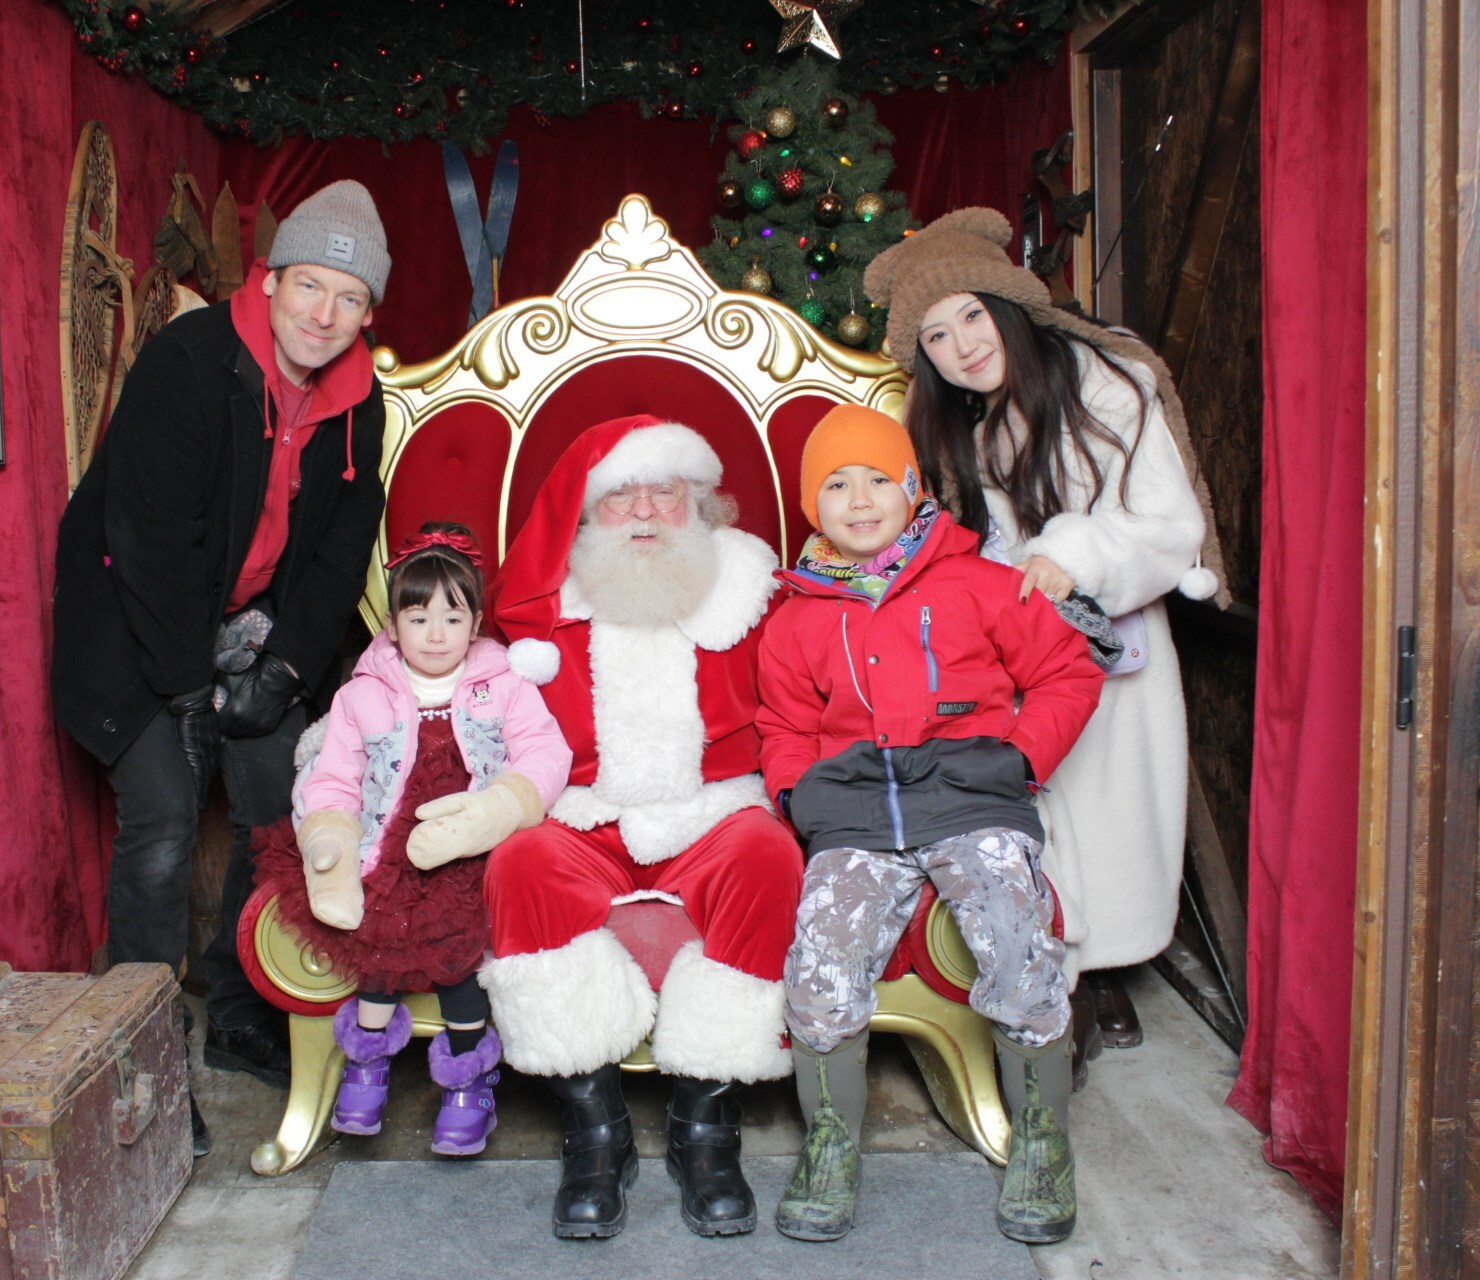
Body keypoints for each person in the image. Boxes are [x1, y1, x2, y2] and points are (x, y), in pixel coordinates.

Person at [50, 180, 392, 1153]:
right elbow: (148, 538)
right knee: (162, 821)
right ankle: (146, 1055)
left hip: (250, 625)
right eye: (309, 285)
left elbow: (340, 551)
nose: (323, 314)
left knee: (284, 803)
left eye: (349, 297)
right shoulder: (190, 360)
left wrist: (282, 669)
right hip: (137, 621)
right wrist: (187, 690)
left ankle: (243, 1010)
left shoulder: (361, 400)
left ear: (368, 312)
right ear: (270, 278)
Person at [863, 207, 1225, 1043]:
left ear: (1009, 303)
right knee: (1035, 810)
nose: (962, 347)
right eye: (937, 337)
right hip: (1013, 647)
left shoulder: (1106, 385)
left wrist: (1073, 553)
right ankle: (1057, 970)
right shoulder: (963, 421)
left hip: (1109, 641)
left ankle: (1103, 973)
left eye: (972, 316)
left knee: (1108, 810)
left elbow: (1169, 526)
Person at [757, 403, 1103, 1244]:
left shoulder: (980, 582)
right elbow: (784, 725)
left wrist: (1019, 760)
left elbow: (1067, 670)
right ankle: (831, 1144)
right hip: (856, 815)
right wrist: (802, 799)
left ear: (913, 487)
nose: (860, 499)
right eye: (837, 485)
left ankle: (1043, 1141)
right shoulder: (797, 615)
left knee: (1015, 939)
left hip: (970, 798)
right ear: (812, 506)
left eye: (879, 479)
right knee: (821, 964)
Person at [481, 415, 805, 1240]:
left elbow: (800, 703)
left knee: (768, 857)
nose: (645, 513)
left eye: (665, 492)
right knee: (520, 864)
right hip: (584, 813)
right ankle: (597, 1132)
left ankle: (707, 1128)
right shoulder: (548, 602)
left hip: (716, 809)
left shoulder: (752, 588)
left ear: (700, 502)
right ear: (587, 513)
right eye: (621, 496)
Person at [250, 523, 571, 1155]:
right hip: (389, 843)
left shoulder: (504, 683)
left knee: (457, 953)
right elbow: (334, 775)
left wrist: (502, 805)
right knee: (380, 942)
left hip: (471, 842)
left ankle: (468, 1077)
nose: (435, 634)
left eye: (452, 619)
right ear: (393, 626)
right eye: (418, 618)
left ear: (475, 626)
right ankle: (366, 1062)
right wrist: (331, 834)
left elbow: (545, 753)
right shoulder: (362, 694)